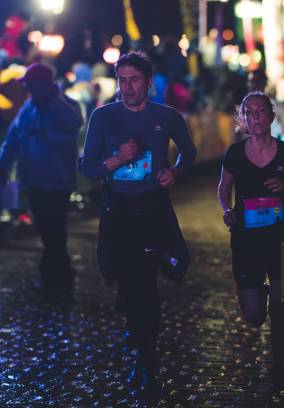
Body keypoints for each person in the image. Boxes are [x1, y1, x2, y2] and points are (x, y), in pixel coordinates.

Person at [78, 51, 196, 391]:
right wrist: (117, 160)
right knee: (125, 278)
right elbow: (87, 168)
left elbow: (190, 152)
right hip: (117, 209)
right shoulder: (103, 117)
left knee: (145, 280)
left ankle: (146, 353)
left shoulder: (166, 116)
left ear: (148, 83)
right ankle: (137, 330)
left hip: (152, 207)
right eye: (122, 80)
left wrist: (175, 171)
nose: (128, 87)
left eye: (134, 80)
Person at [218, 91, 284, 390]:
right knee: (255, 315)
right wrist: (227, 209)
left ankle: (277, 364)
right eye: (249, 111)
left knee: (281, 307)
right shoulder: (234, 154)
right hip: (246, 240)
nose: (255, 115)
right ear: (242, 118)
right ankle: (259, 291)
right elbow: (223, 188)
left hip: (280, 237)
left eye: (261, 110)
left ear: (272, 116)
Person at [0, 62, 83, 300]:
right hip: (34, 180)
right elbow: (12, 139)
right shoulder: (27, 109)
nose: (29, 89)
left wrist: (51, 113)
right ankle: (58, 273)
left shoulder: (63, 105)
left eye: (32, 85)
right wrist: (2, 166)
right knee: (47, 228)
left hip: (57, 180)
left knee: (54, 228)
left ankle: (54, 275)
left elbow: (74, 125)